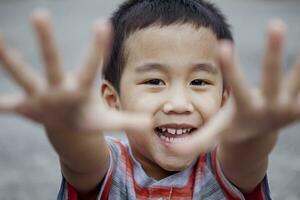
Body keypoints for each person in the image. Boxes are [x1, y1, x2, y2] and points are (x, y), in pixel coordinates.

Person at [0, 0, 299, 199]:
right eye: (154, 81)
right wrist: (66, 124)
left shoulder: (226, 171)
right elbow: (79, 154)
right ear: (113, 99)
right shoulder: (107, 169)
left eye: (199, 82)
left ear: (224, 100)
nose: (179, 103)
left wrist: (259, 131)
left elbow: (247, 155)